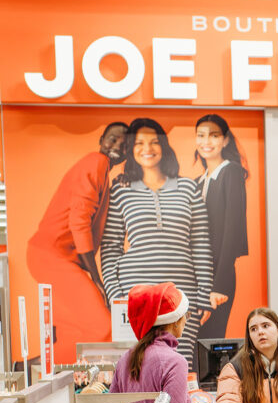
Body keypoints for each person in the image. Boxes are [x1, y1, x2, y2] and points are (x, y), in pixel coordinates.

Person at [100, 118, 217, 368]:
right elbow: (110, 248)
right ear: (131, 149)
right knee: (140, 369)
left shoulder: (188, 188)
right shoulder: (120, 189)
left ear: (164, 146)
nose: (147, 148)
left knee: (180, 365)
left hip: (181, 294)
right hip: (136, 297)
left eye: (154, 142)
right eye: (139, 143)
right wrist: (116, 298)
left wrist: (204, 294)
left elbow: (201, 245)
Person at [26, 121, 129, 362]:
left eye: (124, 144)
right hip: (52, 256)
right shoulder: (96, 162)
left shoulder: (101, 170)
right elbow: (79, 221)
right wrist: (96, 278)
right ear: (101, 140)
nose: (117, 146)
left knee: (76, 333)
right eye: (112, 139)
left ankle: (27, 369)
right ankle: (29, 368)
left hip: (51, 256)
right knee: (102, 329)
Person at [106, 281, 205, 403]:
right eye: (185, 315)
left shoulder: (125, 358)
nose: (186, 320)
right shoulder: (175, 362)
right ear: (175, 321)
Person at [194, 114, 249, 338]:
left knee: (210, 341)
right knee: (194, 343)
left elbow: (232, 230)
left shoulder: (231, 172)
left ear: (225, 140)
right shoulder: (198, 181)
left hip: (219, 276)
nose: (206, 141)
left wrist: (219, 284)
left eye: (214, 136)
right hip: (198, 278)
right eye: (201, 135)